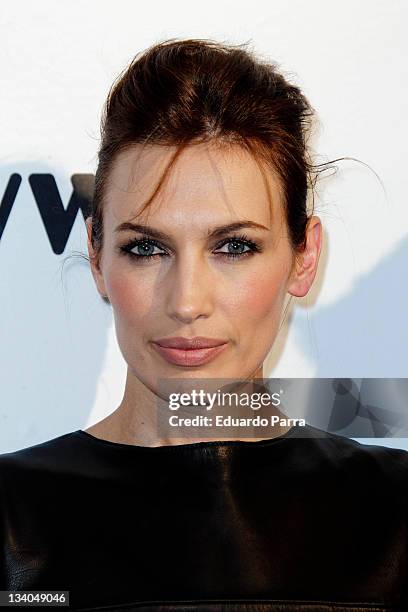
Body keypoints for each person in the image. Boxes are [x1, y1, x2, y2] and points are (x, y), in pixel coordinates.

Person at [0, 38, 407, 612]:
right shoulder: (12, 519)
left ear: (304, 257)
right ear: (96, 256)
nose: (187, 301)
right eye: (146, 248)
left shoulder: (395, 513)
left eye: (234, 246)